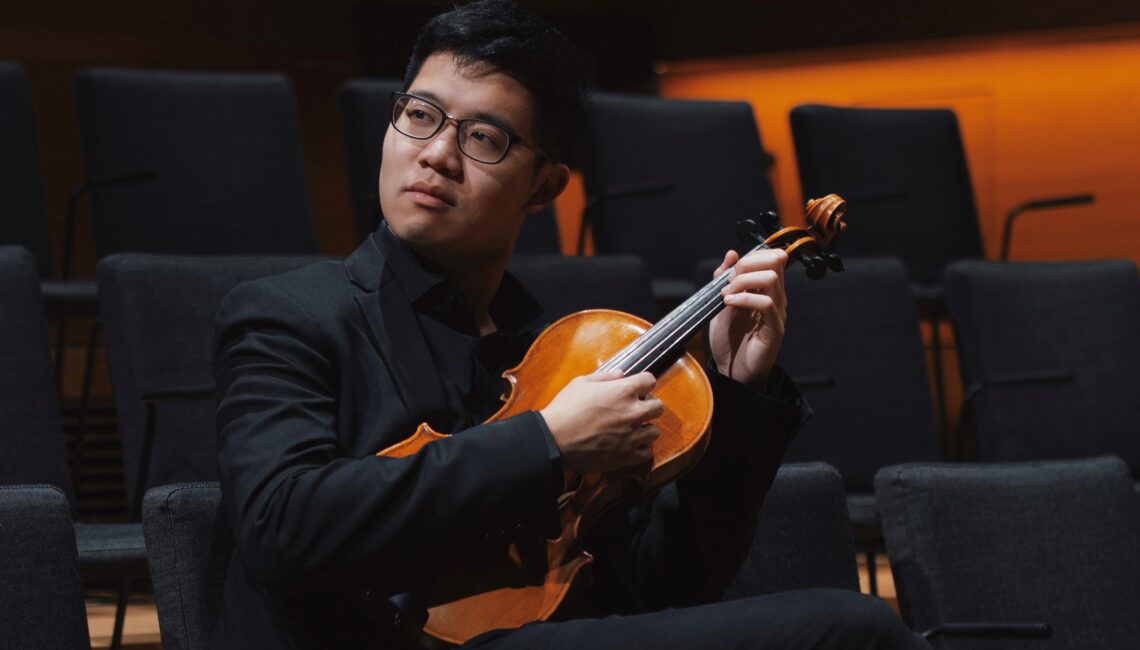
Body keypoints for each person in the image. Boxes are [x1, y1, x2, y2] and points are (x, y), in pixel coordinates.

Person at [212, 1, 927, 647]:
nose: (435, 155)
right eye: (420, 115)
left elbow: (664, 590)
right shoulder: (289, 317)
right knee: (851, 630)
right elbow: (279, 525)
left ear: (545, 187)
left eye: (483, 137)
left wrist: (737, 392)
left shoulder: (556, 358)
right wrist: (546, 442)